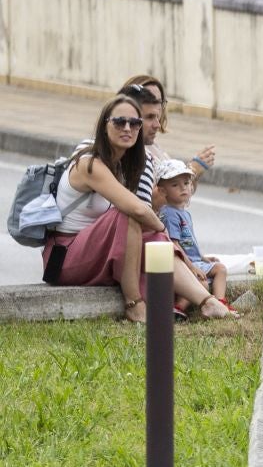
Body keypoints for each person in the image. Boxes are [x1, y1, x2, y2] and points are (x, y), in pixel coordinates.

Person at [41, 94, 234, 323]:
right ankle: (134, 304)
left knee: (154, 238)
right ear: (104, 126)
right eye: (119, 122)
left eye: (134, 123)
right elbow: (139, 210)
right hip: (64, 258)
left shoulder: (126, 165)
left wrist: (170, 245)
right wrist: (165, 231)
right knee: (130, 215)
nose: (127, 128)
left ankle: (207, 302)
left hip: (95, 252)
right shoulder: (89, 163)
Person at [121, 74, 215, 190]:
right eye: (149, 116)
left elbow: (181, 195)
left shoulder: (153, 147)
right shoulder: (130, 155)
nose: (157, 124)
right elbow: (161, 196)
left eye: (159, 102)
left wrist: (192, 171)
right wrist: (193, 170)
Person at [153, 158, 226, 303]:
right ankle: (218, 303)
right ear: (162, 190)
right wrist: (191, 267)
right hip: (184, 264)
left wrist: (203, 258)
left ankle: (215, 303)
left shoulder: (183, 213)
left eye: (186, 183)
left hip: (194, 261)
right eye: (175, 185)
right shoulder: (169, 214)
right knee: (219, 270)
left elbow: (189, 243)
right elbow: (174, 245)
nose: (183, 188)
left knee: (209, 278)